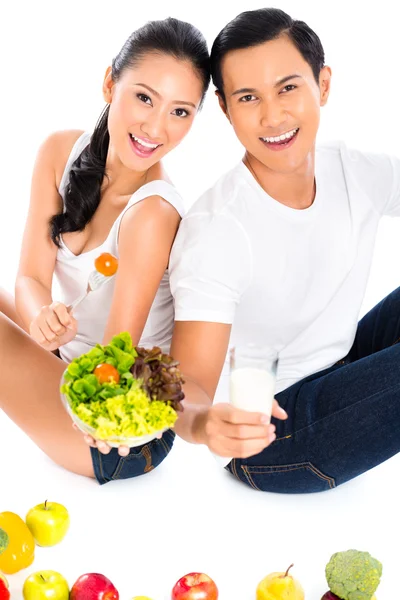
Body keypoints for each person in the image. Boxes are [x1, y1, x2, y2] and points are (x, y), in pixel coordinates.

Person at [164, 7, 400, 494]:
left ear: (324, 85)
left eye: (288, 87)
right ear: (226, 109)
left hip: (342, 364)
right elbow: (187, 389)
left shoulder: (353, 170)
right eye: (248, 97)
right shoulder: (218, 229)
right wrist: (208, 423)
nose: (272, 116)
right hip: (271, 436)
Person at [0, 17, 210, 485]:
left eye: (180, 112)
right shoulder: (59, 152)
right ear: (110, 82)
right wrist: (39, 317)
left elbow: (114, 364)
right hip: (68, 364)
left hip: (114, 431)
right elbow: (29, 278)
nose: (156, 127)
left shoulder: (152, 213)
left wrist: (47, 340)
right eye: (144, 97)